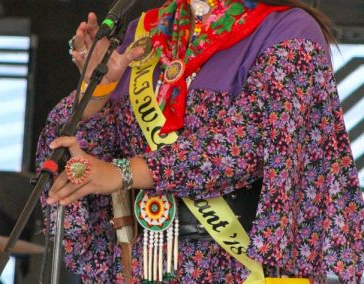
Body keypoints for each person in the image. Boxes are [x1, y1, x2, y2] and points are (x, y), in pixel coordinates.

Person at [36, 0, 364, 283]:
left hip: (240, 266)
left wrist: (124, 171)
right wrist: (97, 93)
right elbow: (75, 152)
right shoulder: (143, 33)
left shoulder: (290, 29)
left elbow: (244, 143)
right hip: (149, 264)